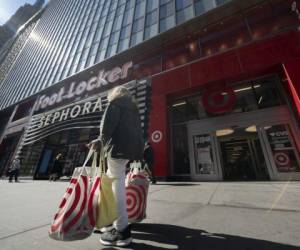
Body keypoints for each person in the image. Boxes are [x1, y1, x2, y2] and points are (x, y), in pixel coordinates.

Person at [90, 86, 143, 247]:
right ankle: (108, 221)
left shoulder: (115, 104)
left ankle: (121, 230)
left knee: (115, 186)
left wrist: (100, 140)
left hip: (117, 150)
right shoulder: (133, 109)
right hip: (129, 151)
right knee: (112, 183)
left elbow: (106, 127)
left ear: (114, 94)